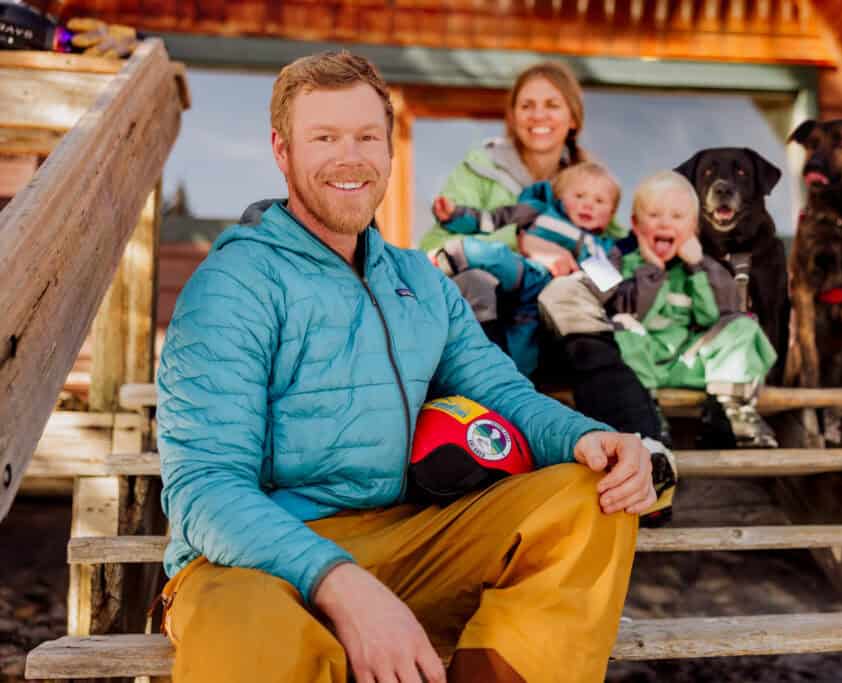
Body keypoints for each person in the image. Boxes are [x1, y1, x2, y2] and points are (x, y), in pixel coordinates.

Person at [156, 51, 656, 683]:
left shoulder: (419, 279)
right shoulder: (233, 284)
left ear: (390, 151)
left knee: (594, 495)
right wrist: (337, 581)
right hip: (250, 559)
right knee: (252, 640)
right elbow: (204, 489)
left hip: (403, 537)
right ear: (282, 151)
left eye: (367, 137)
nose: (350, 157)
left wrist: (589, 437)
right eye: (325, 138)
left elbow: (500, 390)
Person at [540, 171, 778, 448]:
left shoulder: (707, 266)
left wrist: (698, 267)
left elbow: (717, 316)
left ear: (694, 228)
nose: (665, 223)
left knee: (741, 326)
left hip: (688, 362)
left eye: (677, 217)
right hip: (637, 365)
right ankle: (646, 414)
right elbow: (616, 305)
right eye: (654, 215)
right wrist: (651, 270)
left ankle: (730, 412)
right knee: (620, 326)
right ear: (635, 223)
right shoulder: (613, 259)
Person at [418, 61, 626, 370]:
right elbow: (434, 247)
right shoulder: (481, 168)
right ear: (513, 118)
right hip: (491, 312)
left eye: (552, 105)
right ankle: (486, 384)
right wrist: (520, 241)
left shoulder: (587, 185)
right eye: (527, 105)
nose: (538, 115)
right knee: (476, 280)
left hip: (551, 318)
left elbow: (613, 250)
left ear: (573, 118)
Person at [427, 161, 621, 375]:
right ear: (560, 198)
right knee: (496, 256)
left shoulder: (601, 248)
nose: (588, 205)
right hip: (525, 271)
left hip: (540, 302)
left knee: (524, 354)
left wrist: (580, 279)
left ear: (611, 214)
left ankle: (511, 381)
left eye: (599, 201)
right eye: (579, 196)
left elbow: (606, 285)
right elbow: (491, 220)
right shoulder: (541, 212)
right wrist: (455, 215)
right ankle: (455, 254)